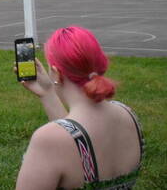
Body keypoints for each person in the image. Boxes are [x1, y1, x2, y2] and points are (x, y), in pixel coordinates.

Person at [16, 26, 144, 189]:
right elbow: (75, 135)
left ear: (56, 73)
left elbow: (70, 138)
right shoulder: (128, 115)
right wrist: (48, 93)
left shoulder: (47, 140)